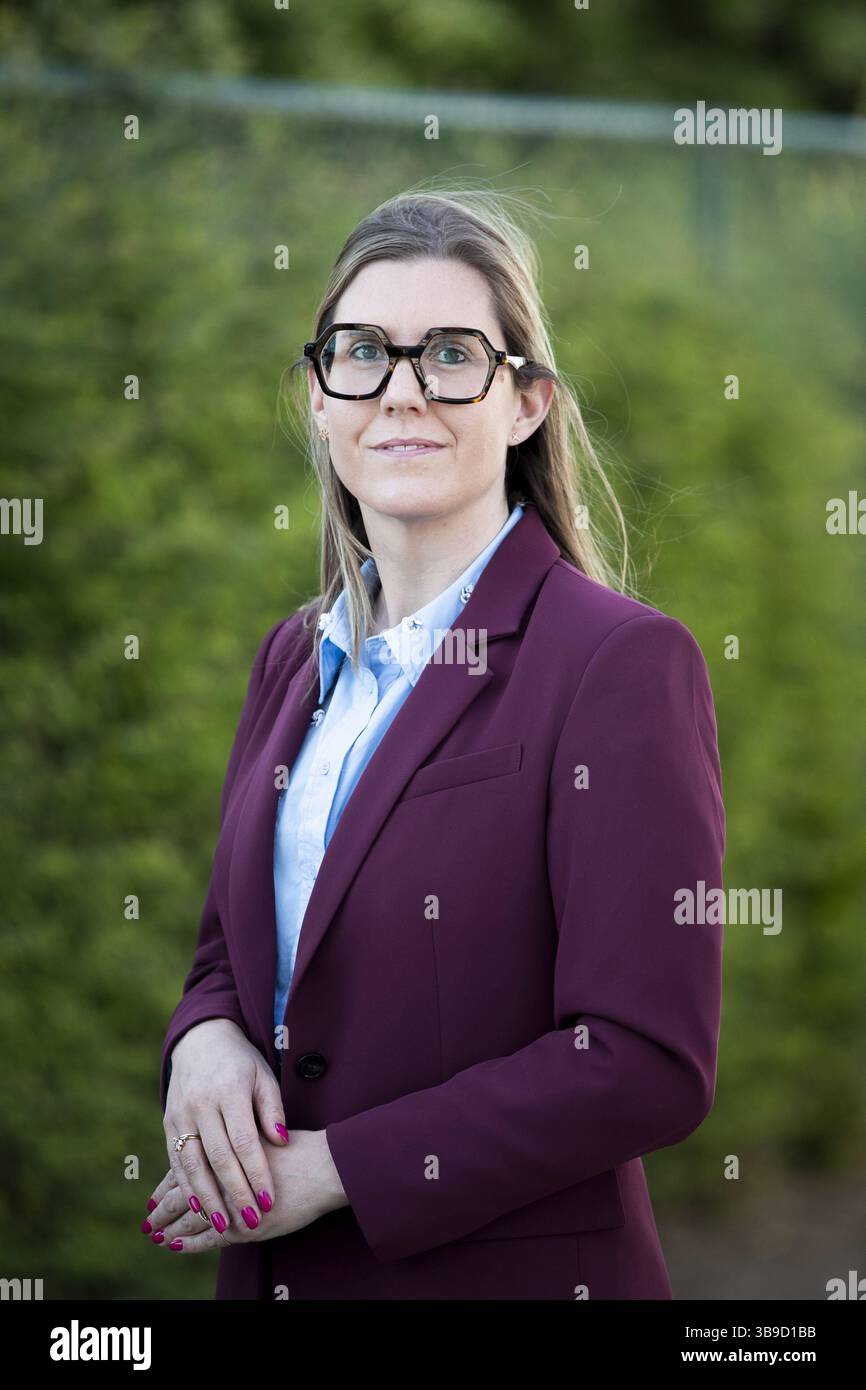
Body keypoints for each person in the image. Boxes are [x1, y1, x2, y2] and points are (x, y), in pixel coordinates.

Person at [144, 188, 725, 1299]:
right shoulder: (288, 657)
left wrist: (338, 1168)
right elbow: (234, 953)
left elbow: (647, 1061)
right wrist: (203, 1039)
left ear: (524, 404)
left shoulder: (616, 664)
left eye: (451, 355)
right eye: (362, 352)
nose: (401, 391)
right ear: (318, 396)